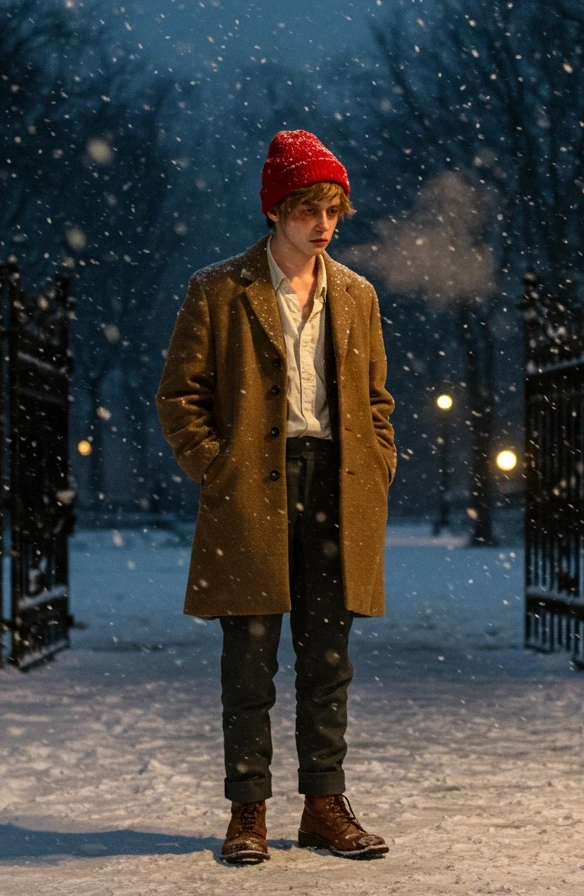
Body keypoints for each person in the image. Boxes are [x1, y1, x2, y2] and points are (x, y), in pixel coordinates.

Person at [155, 130, 396, 864]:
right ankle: (248, 811)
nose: (323, 224)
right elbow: (179, 397)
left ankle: (324, 805)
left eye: (332, 209)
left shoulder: (357, 294)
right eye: (308, 209)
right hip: (251, 487)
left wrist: (378, 463)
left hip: (337, 481)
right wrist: (217, 467)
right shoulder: (219, 289)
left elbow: (378, 402)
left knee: (328, 659)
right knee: (249, 660)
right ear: (276, 211)